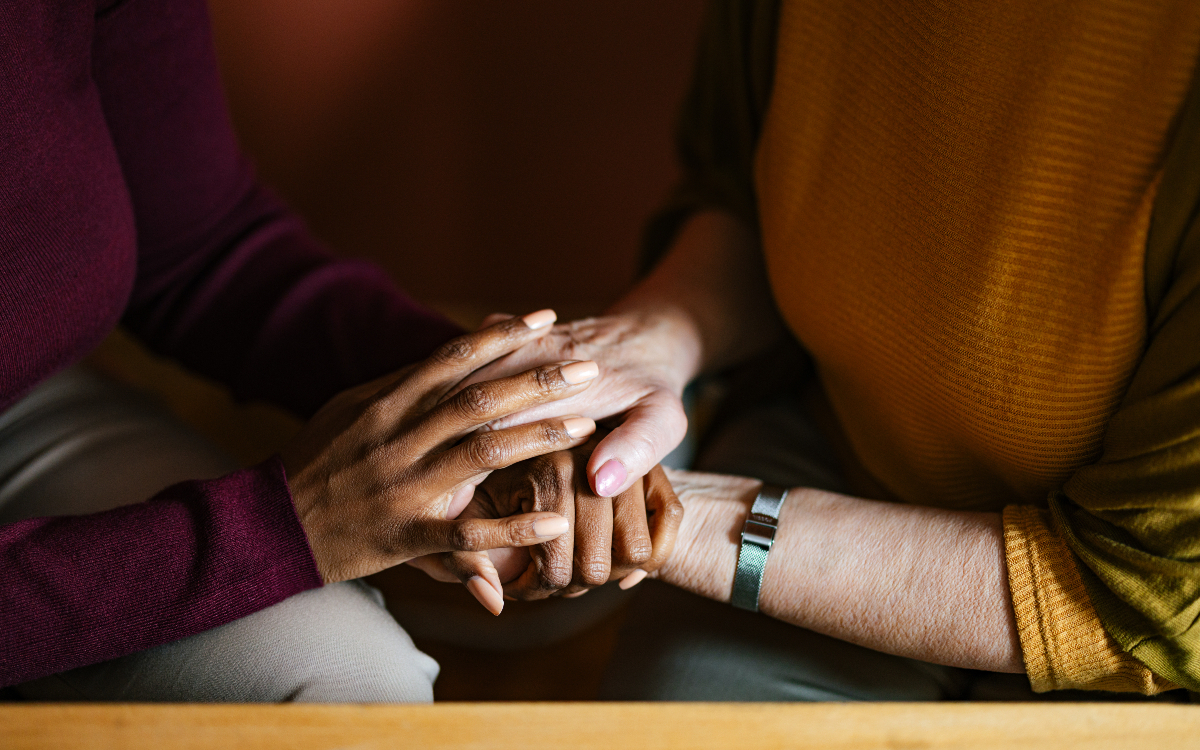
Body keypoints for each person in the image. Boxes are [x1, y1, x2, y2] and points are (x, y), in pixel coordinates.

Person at [454, 0, 1200, 699]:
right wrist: (647, 341)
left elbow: (1141, 596)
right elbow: (745, 187)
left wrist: (661, 519)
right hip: (835, 443)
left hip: (1127, 614)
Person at [0, 0, 681, 702]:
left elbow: (199, 245)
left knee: (353, 691)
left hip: (23, 405)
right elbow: (286, 525)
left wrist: (483, 406)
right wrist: (282, 526)